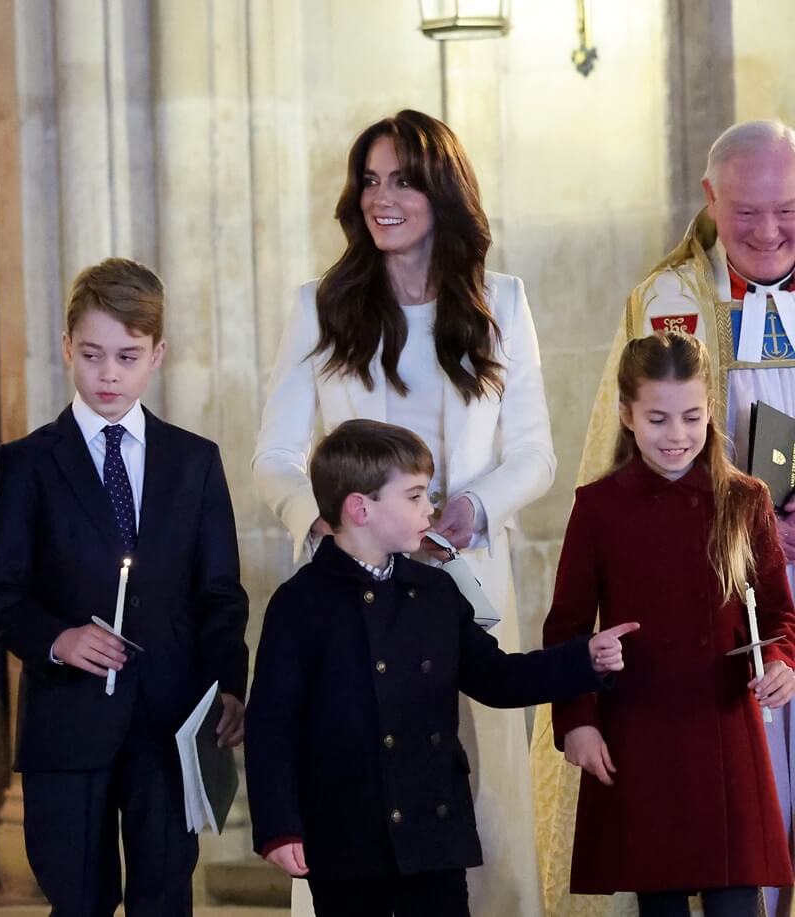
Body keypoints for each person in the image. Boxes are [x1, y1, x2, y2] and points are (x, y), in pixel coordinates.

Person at [253, 109, 555, 917]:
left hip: (465, 579)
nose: (382, 197)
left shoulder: (504, 301)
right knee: (359, 778)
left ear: (443, 190)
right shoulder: (321, 304)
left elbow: (535, 453)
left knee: (479, 794)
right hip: (354, 584)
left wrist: (473, 506)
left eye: (403, 180)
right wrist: (313, 519)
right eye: (370, 180)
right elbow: (275, 453)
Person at [531, 120, 795, 917]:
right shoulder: (665, 301)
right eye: (748, 212)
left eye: (787, 208)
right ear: (712, 200)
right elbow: (624, 486)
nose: (771, 230)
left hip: (764, 569)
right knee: (735, 813)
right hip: (716, 584)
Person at [245, 419, 634, 917]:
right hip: (346, 836)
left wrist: (583, 659)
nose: (429, 507)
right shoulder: (299, 604)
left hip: (432, 831)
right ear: (360, 508)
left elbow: (497, 677)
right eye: (413, 495)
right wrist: (279, 826)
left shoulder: (435, 592)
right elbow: (272, 725)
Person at [0, 257, 249, 917]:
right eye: (92, 354)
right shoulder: (27, 463)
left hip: (170, 718)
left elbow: (221, 593)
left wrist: (229, 684)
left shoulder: (195, 461)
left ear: (158, 354)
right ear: (67, 347)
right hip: (67, 721)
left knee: (164, 893)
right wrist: (58, 638)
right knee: (78, 896)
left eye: (127, 356)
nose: (107, 374)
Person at [544, 331, 795, 916]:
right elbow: (567, 628)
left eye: (690, 416)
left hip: (726, 732)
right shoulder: (599, 506)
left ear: (710, 407)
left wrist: (783, 660)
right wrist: (577, 721)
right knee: (659, 902)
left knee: (737, 899)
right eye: (658, 419)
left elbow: (781, 611)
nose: (677, 436)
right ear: (627, 415)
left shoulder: (745, 499)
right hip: (640, 732)